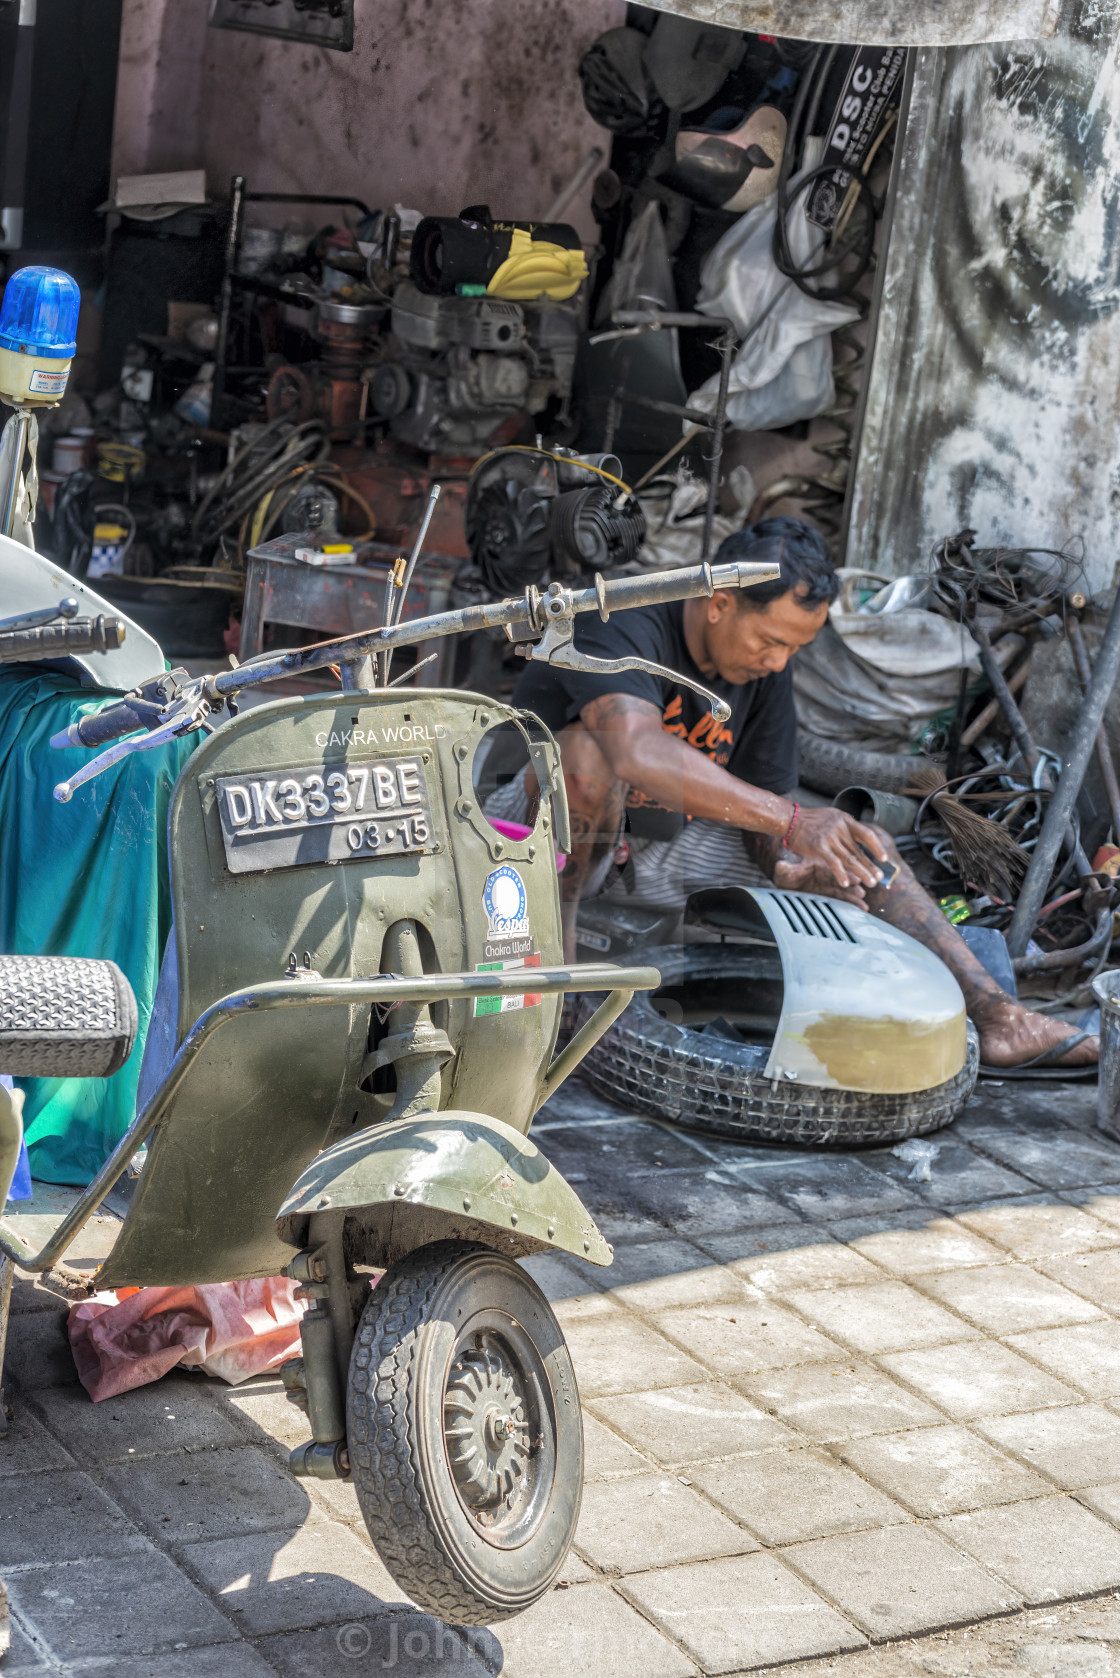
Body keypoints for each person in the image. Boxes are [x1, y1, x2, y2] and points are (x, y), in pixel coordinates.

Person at [489, 516, 1098, 1072]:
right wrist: (791, 820)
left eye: (793, 650)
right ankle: (553, 995)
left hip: (661, 849)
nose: (779, 664)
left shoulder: (762, 672)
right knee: (585, 753)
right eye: (771, 642)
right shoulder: (621, 616)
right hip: (528, 840)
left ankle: (998, 1017)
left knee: (862, 848)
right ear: (720, 602)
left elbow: (765, 803)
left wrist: (788, 864)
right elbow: (634, 751)